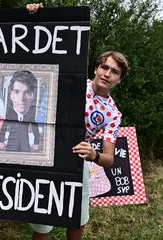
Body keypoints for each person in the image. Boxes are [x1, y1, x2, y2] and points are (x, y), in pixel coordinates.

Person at [27, 3, 129, 240]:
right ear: (96, 68)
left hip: (77, 163)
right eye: (104, 67)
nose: (107, 73)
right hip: (47, 156)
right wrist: (37, 18)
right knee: (43, 221)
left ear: (119, 80)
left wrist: (92, 155)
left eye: (114, 72)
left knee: (77, 218)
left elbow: (108, 159)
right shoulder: (70, 82)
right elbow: (42, 54)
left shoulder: (113, 114)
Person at [0, 70, 40, 152]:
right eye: (17, 92)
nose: (21, 99)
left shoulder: (31, 115)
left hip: (25, 147)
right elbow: (3, 128)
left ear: (32, 95)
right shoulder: (9, 114)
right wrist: (1, 141)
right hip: (11, 146)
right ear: (11, 95)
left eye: (27, 92)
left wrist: (36, 143)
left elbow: (35, 130)